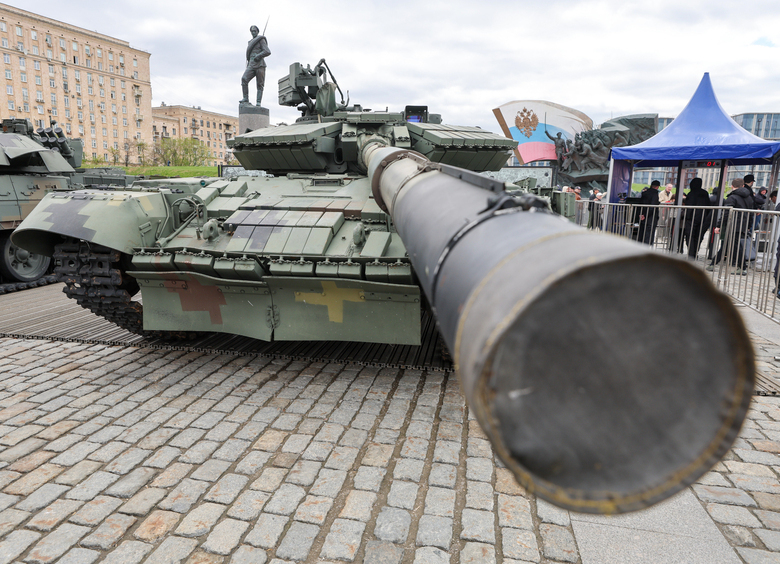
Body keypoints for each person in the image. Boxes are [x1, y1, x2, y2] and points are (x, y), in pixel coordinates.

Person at [708, 178, 756, 274]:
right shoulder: (749, 198)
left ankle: (742, 267)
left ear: (732, 186)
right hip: (743, 225)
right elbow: (751, 214)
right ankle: (714, 263)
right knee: (731, 244)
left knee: (733, 246)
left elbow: (726, 213)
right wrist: (749, 225)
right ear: (743, 186)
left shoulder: (732, 197)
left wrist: (718, 225)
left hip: (732, 224)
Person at [681, 178, 712, 259]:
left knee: (689, 236)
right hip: (702, 218)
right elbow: (708, 206)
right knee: (699, 236)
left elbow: (689, 207)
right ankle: (695, 252)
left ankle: (691, 253)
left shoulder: (691, 194)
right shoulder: (704, 193)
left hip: (691, 218)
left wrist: (686, 217)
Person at [240, 25, 271, 106]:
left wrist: (259, 56)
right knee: (244, 79)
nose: (253, 32)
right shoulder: (250, 42)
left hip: (260, 65)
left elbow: (267, 51)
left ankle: (258, 102)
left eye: (255, 31)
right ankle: (245, 98)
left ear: (257, 32)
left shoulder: (261, 40)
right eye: (252, 31)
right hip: (251, 64)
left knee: (260, 85)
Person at [636, 180, 660, 244]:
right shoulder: (655, 194)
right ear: (657, 187)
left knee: (641, 234)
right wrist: (646, 215)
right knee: (649, 236)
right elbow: (652, 206)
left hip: (642, 217)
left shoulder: (644, 193)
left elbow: (640, 204)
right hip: (651, 218)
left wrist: (641, 214)